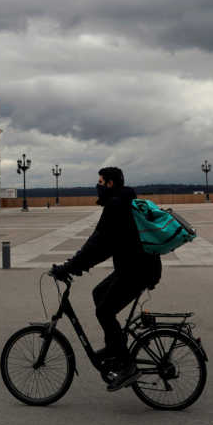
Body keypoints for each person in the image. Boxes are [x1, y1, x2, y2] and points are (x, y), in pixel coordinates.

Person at [51, 167, 161, 391]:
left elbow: (98, 244)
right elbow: (102, 246)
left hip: (137, 270)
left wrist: (70, 267)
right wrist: (76, 265)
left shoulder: (116, 206)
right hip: (135, 267)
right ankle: (114, 349)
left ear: (110, 184)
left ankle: (127, 365)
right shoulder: (121, 202)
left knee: (104, 311)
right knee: (98, 294)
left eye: (100, 181)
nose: (98, 185)